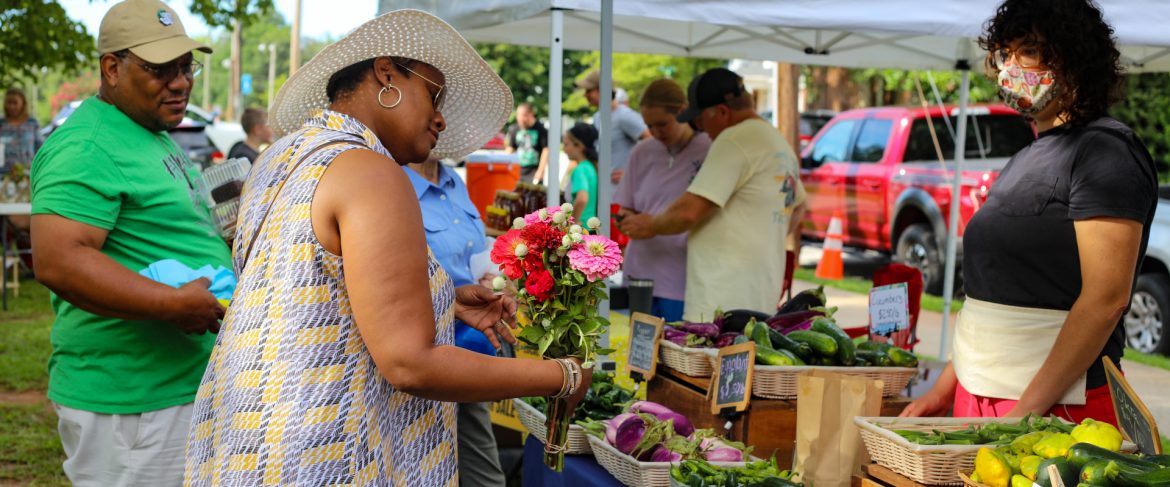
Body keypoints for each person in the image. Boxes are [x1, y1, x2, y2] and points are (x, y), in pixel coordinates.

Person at [184, 10, 591, 486]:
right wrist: (561, 376)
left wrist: (440, 299)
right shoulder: (371, 171)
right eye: (434, 95)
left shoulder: (281, 157)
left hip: (250, 442)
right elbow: (409, 363)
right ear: (386, 74)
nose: (440, 118)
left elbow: (310, 291)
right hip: (326, 455)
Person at [901, 0, 1156, 425]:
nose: (1010, 67)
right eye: (1005, 54)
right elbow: (991, 296)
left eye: (1029, 51)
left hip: (1057, 410)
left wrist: (1024, 412)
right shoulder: (1026, 156)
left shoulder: (1106, 153)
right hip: (984, 396)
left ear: (1074, 59)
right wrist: (944, 391)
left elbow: (1106, 300)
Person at [28, 0, 230, 484]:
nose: (180, 83)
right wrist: (172, 304)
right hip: (131, 405)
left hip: (172, 391)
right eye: (160, 69)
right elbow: (58, 261)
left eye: (186, 67)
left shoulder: (148, 132)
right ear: (112, 69)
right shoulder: (87, 145)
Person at [618, 68, 806, 322]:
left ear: (722, 112)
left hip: (721, 299)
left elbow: (689, 211)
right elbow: (799, 206)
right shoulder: (776, 141)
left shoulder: (734, 139)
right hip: (759, 291)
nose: (701, 128)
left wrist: (651, 225)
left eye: (700, 119)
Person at [404, 155, 505, 487]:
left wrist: (491, 277)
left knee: (482, 469)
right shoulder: (394, 184)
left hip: (470, 346)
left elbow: (472, 248)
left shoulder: (454, 181)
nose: (438, 129)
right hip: (424, 353)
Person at [614, 79, 711, 323]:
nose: (657, 132)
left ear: (682, 112)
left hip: (684, 275)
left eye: (662, 124)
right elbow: (625, 206)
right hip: (640, 273)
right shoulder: (642, 151)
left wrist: (656, 224)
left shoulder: (708, 148)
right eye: (649, 126)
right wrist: (626, 221)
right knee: (637, 344)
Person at [576, 70, 650, 187]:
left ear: (601, 90)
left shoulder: (624, 116)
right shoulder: (598, 117)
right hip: (606, 192)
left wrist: (634, 173)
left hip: (623, 192)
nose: (585, 95)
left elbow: (654, 143)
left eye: (589, 91)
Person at [504, 102, 549, 183]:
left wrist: (541, 170)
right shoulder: (515, 129)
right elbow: (510, 149)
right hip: (517, 170)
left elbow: (546, 150)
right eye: (518, 115)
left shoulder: (541, 130)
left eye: (523, 116)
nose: (520, 119)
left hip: (533, 171)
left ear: (530, 114)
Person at [563, 122, 599, 222]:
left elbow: (582, 198)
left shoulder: (580, 169)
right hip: (590, 225)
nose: (564, 149)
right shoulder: (590, 166)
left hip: (582, 226)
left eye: (566, 144)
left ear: (579, 146)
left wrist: (572, 222)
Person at [1, 88, 42, 175]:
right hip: (3, 175)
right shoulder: (1, 123)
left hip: (28, 174)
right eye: (9, 102)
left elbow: (40, 149)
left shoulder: (32, 123)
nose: (11, 106)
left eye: (15, 103)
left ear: (23, 104)